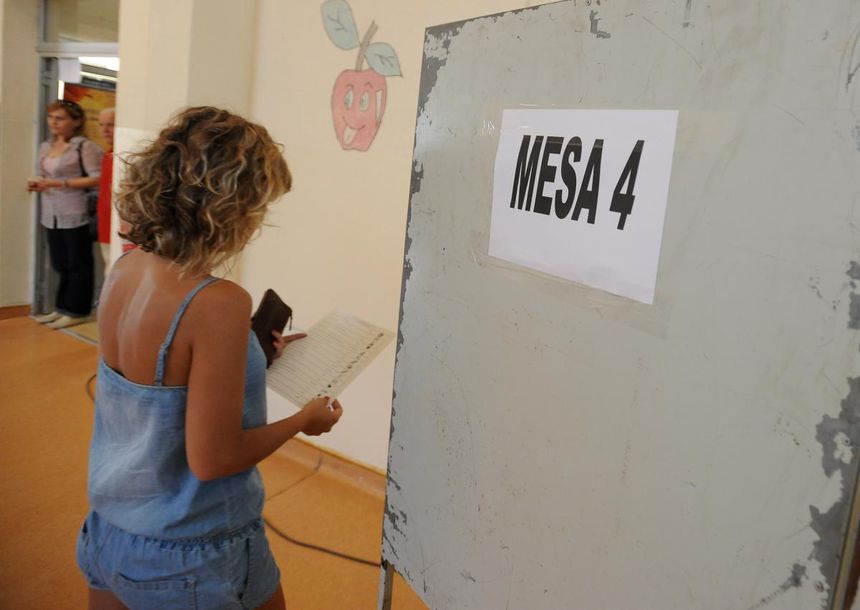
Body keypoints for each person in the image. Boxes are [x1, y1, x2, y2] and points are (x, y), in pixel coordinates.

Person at [76, 106, 344, 610]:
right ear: (228, 208)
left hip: (111, 528)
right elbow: (214, 459)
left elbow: (161, 383)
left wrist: (254, 356)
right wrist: (302, 422)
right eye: (258, 207)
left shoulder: (127, 269)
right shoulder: (218, 302)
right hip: (193, 554)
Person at [28, 99, 103, 329]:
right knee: (60, 262)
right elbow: (44, 175)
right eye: (51, 117)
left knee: (77, 263)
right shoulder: (46, 146)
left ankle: (78, 310)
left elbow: (97, 178)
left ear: (76, 121)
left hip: (75, 210)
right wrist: (39, 183)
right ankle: (61, 308)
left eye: (60, 118)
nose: (53, 122)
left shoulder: (84, 147)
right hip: (51, 212)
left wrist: (60, 183)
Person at [95, 107, 115, 265]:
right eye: (101, 124)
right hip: (106, 222)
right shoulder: (108, 154)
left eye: (111, 125)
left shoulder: (121, 153)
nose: (105, 130)